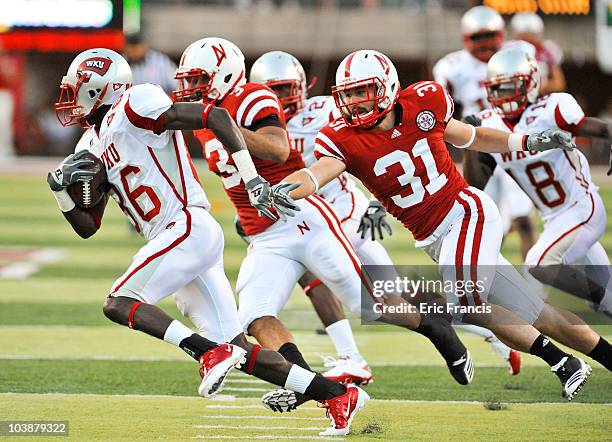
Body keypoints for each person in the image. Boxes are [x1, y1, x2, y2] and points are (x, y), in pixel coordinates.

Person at [49, 47, 367, 436]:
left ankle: (205, 351)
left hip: (185, 223)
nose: (71, 96)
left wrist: (251, 177)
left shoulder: (136, 102)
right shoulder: (87, 145)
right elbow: (88, 225)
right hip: (173, 241)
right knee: (241, 349)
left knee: (119, 302)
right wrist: (65, 195)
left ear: (100, 88)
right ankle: (335, 394)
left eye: (77, 88)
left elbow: (214, 115)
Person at [272, 48, 612, 401]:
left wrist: (523, 141)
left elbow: (472, 137)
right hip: (434, 237)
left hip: (464, 214)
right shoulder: (340, 137)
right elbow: (315, 175)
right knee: (530, 311)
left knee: (467, 304)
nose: (355, 102)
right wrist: (283, 190)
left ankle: (562, 362)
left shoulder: (424, 101)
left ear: (386, 87)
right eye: (349, 94)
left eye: (363, 91)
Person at [171, 37, 474, 412]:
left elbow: (277, 148)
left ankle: (436, 328)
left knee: (373, 303)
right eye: (188, 80)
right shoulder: (204, 117)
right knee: (254, 317)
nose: (192, 89)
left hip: (305, 219)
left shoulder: (251, 97)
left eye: (200, 80)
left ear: (225, 75)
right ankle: (306, 383)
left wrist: (225, 126)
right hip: (264, 235)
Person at [248, 50, 394, 384]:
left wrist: (378, 200)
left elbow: (378, 150)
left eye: (283, 89)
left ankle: (489, 334)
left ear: (300, 86)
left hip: (349, 218)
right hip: (309, 224)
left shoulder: (327, 110)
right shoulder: (255, 127)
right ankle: (351, 357)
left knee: (390, 302)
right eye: (270, 91)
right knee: (312, 281)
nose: (278, 99)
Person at [463, 47, 612, 317]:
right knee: (606, 295)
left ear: (530, 82)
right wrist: (473, 142)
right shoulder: (490, 123)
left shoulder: (552, 107)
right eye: (498, 89)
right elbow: (475, 185)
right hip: (555, 220)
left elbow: (599, 128)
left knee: (537, 263)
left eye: (511, 87)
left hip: (582, 209)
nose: (504, 96)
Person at [433, 5, 536, 372]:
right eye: (477, 38)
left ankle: (517, 285)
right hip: (476, 150)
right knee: (482, 220)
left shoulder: (516, 58)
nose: (484, 44)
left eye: (489, 36)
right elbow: (441, 117)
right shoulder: (450, 67)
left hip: (509, 143)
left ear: (500, 35)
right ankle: (490, 292)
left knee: (520, 220)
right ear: (465, 39)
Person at [510, 12, 566, 94]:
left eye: (531, 39)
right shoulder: (509, 51)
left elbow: (559, 84)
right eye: (524, 40)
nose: (527, 45)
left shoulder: (547, 51)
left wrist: (543, 85)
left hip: (542, 100)